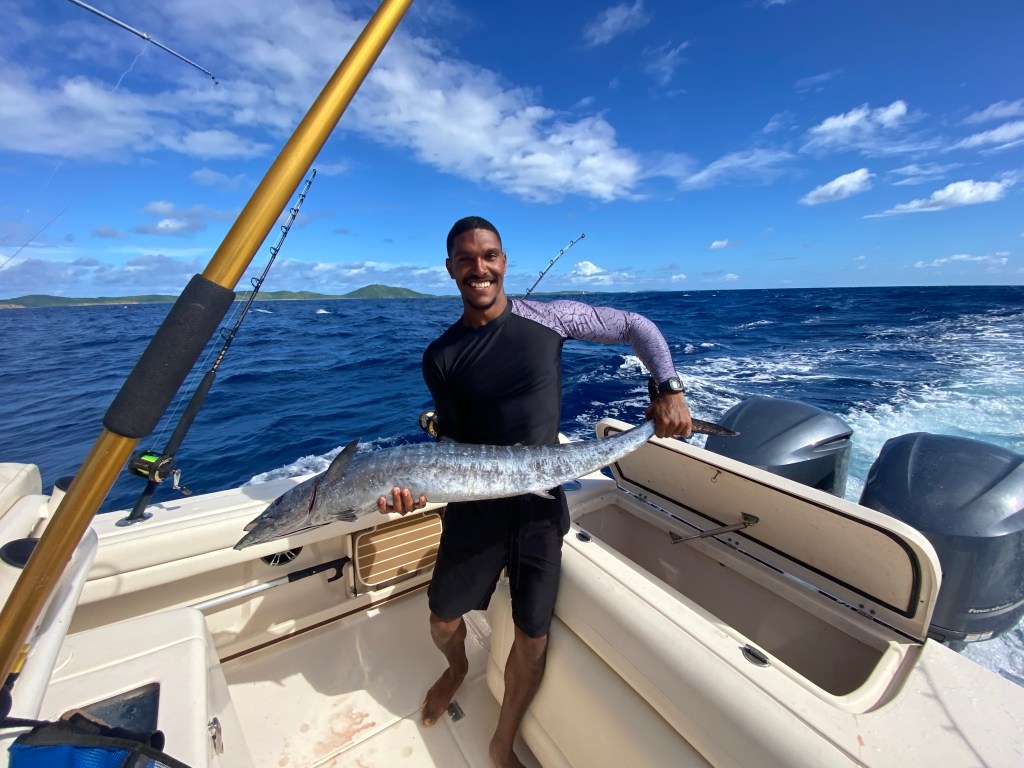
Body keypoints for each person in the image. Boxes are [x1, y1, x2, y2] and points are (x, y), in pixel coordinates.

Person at [377, 215, 692, 768]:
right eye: (467, 260)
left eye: (490, 256)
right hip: (476, 507)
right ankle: (457, 669)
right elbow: (450, 442)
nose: (480, 269)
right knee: (443, 620)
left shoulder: (550, 318)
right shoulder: (440, 356)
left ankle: (502, 742)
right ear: (450, 269)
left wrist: (666, 387)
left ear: (504, 262)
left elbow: (637, 327)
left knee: (533, 635)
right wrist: (414, 488)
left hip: (540, 506)